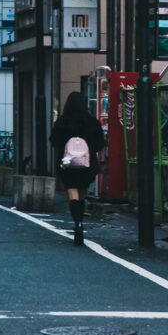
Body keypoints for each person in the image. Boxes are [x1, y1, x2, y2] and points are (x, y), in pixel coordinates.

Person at [50, 91, 105, 246]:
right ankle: (80, 221)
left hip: (67, 163)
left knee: (72, 190)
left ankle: (77, 224)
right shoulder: (92, 122)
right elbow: (99, 143)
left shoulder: (62, 121)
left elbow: (54, 141)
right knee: (82, 192)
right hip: (87, 164)